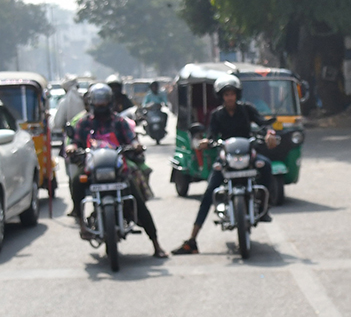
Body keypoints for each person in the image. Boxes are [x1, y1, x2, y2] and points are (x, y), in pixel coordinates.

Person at [172, 74, 278, 255]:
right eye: (226, 94)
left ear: (237, 95)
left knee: (266, 165)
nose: (229, 97)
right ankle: (192, 240)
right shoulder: (217, 115)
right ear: (221, 97)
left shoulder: (247, 110)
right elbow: (211, 134)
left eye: (232, 94)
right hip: (226, 157)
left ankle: (263, 208)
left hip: (248, 153)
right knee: (209, 193)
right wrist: (206, 142)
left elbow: (263, 124)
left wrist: (270, 133)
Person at [66, 83, 167, 258]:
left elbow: (131, 139)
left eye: (103, 102)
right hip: (92, 167)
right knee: (76, 181)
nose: (100, 105)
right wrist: (72, 148)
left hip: (117, 167)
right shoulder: (83, 123)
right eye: (97, 102)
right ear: (91, 103)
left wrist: (136, 146)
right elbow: (75, 141)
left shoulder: (119, 122)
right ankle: (81, 221)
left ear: (110, 102)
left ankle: (156, 244)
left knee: (137, 200)